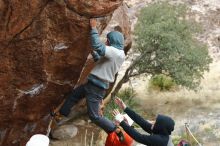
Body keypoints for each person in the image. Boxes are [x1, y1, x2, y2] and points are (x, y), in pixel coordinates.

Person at [56, 18, 125, 135]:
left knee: (94, 116)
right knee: (74, 95)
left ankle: (115, 129)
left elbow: (98, 45)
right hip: (94, 84)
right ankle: (61, 114)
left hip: (96, 87)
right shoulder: (120, 54)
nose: (106, 43)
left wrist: (93, 28)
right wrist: (94, 54)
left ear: (112, 41)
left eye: (107, 41)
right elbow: (103, 62)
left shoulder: (114, 51)